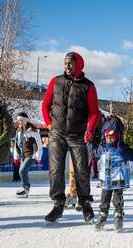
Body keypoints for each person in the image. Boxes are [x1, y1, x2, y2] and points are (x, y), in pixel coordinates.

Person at [41, 52, 100, 223]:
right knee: (55, 170)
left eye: (71, 64)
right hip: (57, 133)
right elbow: (45, 105)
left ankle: (86, 204)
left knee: (81, 170)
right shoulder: (55, 81)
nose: (67, 66)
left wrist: (89, 131)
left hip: (77, 134)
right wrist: (48, 124)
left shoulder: (88, 86)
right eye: (65, 63)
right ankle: (58, 204)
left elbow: (94, 112)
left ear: (78, 65)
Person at [90, 115, 133, 232]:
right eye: (107, 136)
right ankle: (102, 217)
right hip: (106, 180)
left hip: (118, 179)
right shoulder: (102, 149)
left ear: (117, 136)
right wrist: (88, 141)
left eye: (112, 136)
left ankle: (118, 217)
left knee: (117, 200)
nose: (109, 139)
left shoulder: (122, 149)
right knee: (104, 200)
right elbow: (93, 152)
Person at [14, 112, 43, 198]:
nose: (20, 122)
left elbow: (39, 144)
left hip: (31, 154)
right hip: (23, 155)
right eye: (18, 120)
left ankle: (26, 188)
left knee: (22, 171)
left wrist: (38, 156)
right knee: (22, 172)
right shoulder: (18, 131)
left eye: (22, 120)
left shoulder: (33, 131)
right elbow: (16, 144)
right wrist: (16, 157)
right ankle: (24, 188)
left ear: (26, 121)